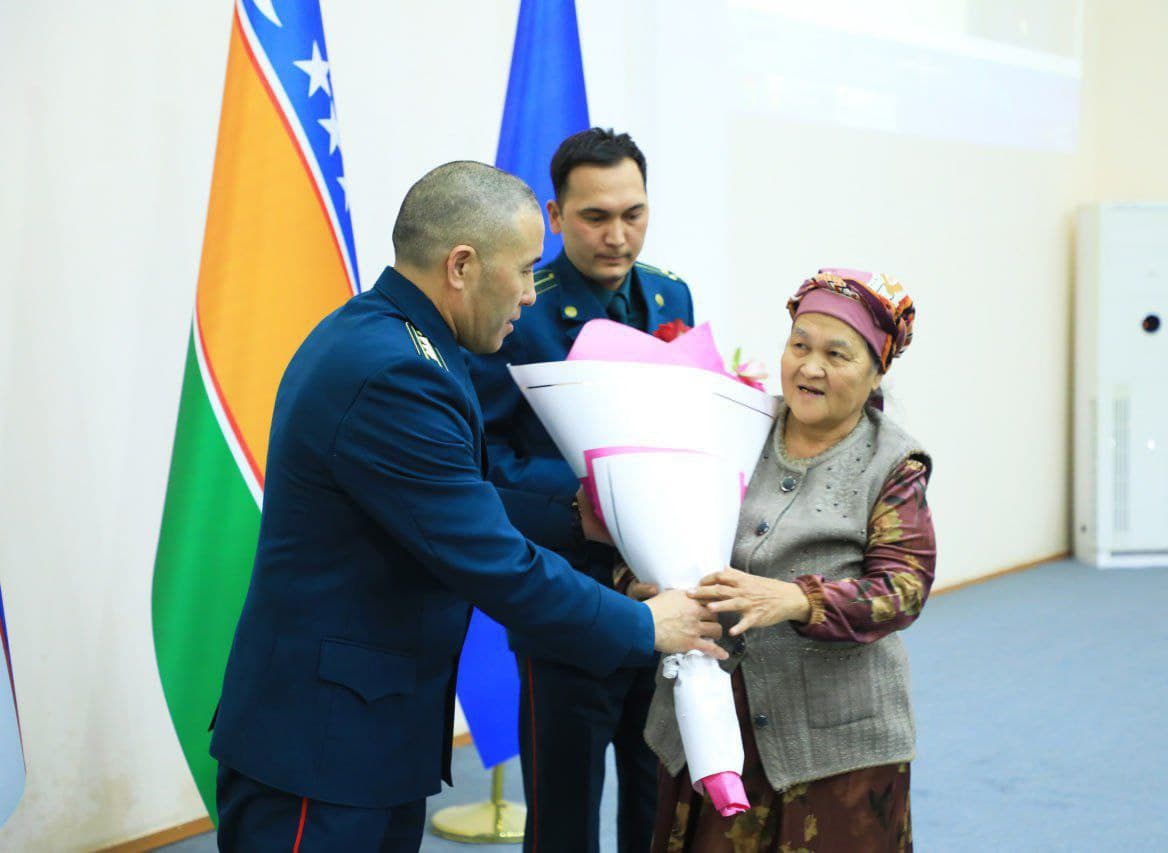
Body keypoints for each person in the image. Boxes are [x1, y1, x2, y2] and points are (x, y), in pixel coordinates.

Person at [208, 161, 725, 852]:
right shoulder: (395, 371)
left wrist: (577, 519)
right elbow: (494, 561)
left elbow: (457, 494)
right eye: (521, 269)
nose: (528, 294)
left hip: (363, 731)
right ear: (461, 265)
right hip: (322, 749)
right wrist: (641, 624)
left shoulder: (399, 339)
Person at [646, 269, 936, 852]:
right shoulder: (735, 424)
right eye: (799, 345)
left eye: (837, 353)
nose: (809, 367)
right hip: (715, 721)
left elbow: (905, 585)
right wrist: (646, 589)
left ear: (878, 368)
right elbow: (655, 529)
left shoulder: (892, 463)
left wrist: (800, 599)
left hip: (835, 744)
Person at [467, 128, 694, 853]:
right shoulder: (522, 309)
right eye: (596, 216)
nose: (618, 234)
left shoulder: (668, 292)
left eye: (634, 212)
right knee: (564, 815)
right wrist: (587, 500)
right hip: (565, 591)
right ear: (556, 216)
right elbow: (485, 457)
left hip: (661, 589)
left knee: (656, 802)